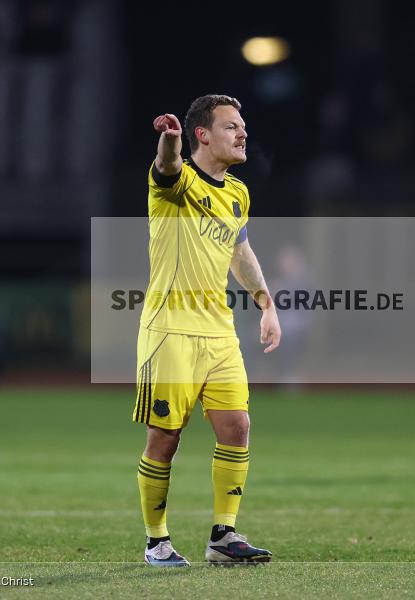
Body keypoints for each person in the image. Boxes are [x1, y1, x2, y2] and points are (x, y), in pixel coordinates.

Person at [133, 94, 281, 566]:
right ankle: (157, 541)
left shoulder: (237, 192)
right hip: (170, 330)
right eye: (231, 127)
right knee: (166, 437)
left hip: (219, 331)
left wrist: (265, 302)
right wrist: (168, 140)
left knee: (237, 426)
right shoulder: (175, 184)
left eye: (242, 127)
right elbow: (166, 166)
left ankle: (224, 536)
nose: (242, 134)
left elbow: (240, 252)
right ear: (202, 134)